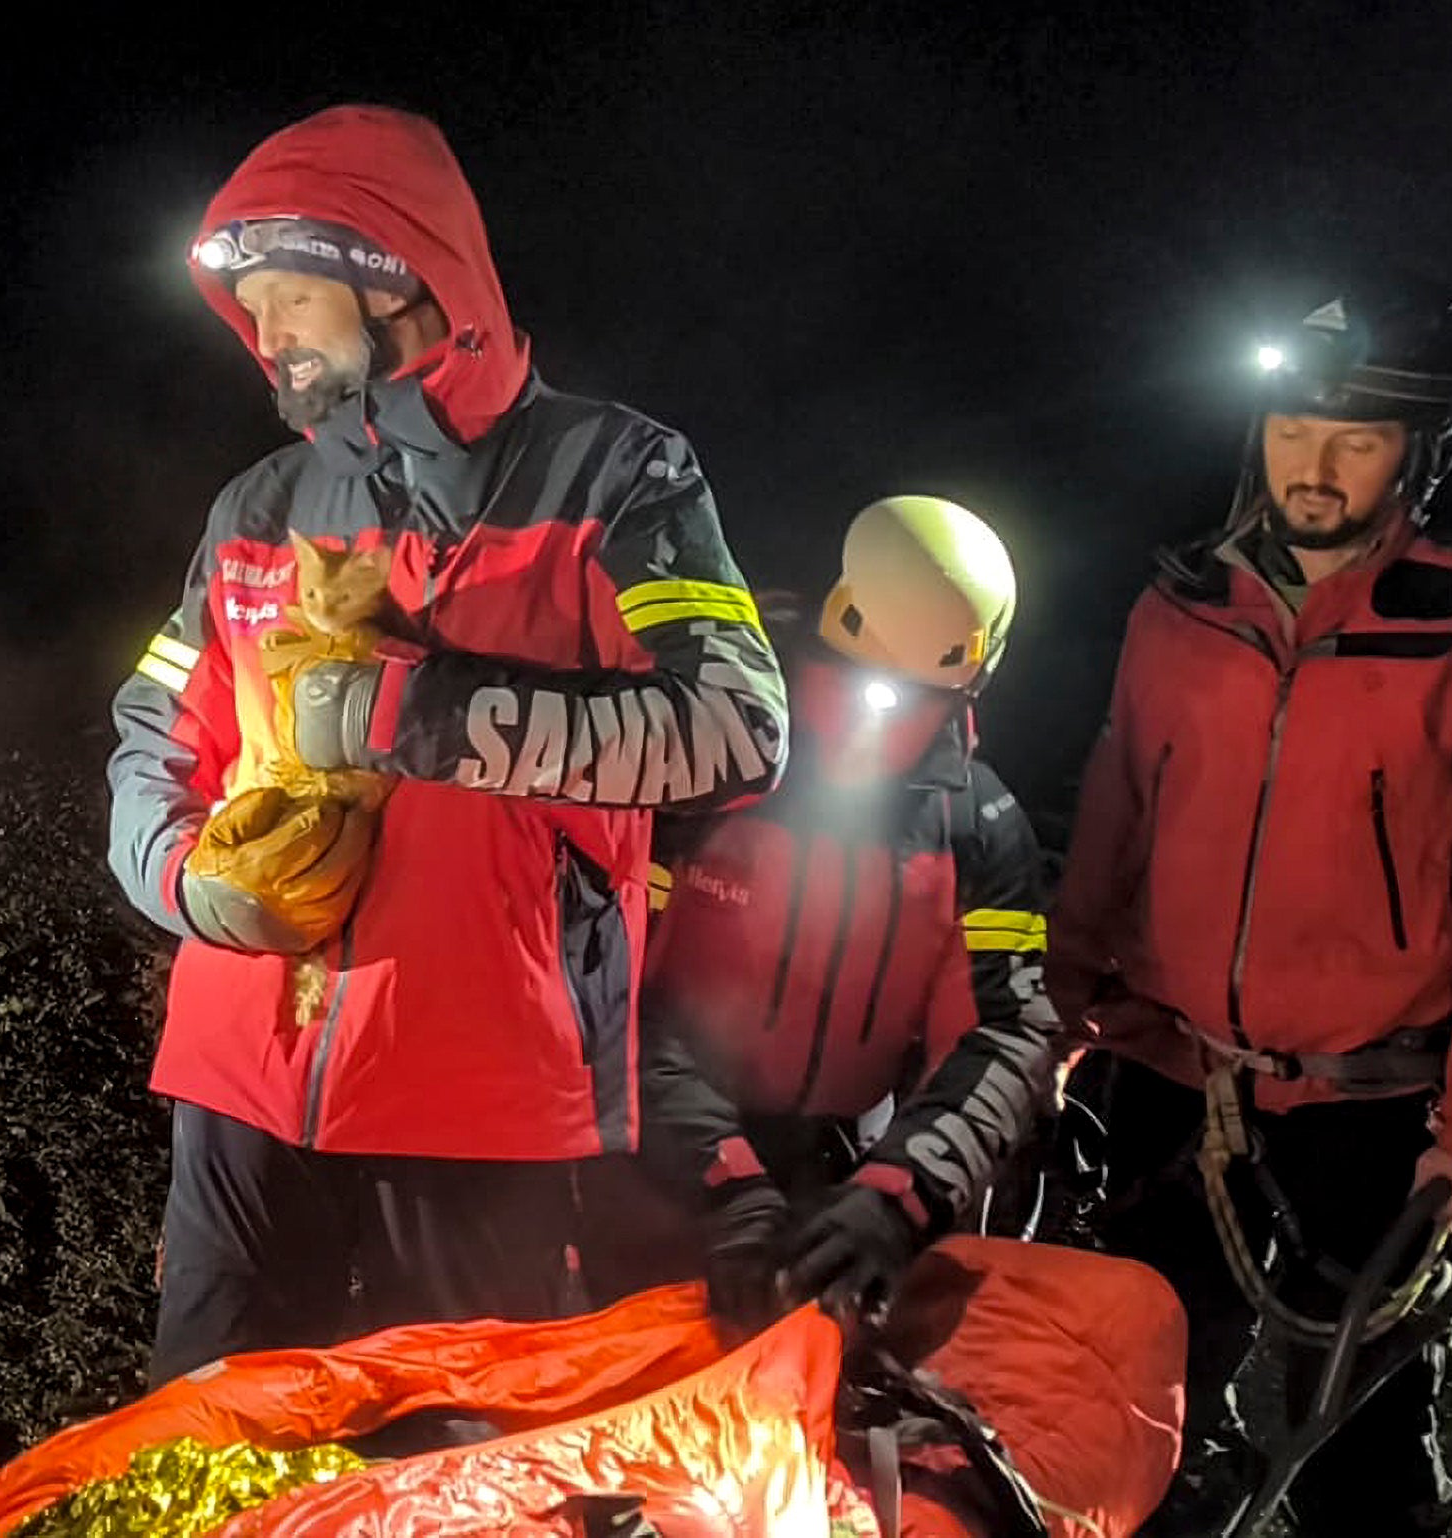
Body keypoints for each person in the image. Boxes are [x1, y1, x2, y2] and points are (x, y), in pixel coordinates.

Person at [105, 103, 787, 1385]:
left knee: (460, 1473)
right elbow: (152, 727)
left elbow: (736, 731)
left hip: (486, 1095)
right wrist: (183, 879)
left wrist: (415, 716)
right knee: (200, 1453)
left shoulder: (616, 476)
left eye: (291, 299)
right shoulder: (255, 504)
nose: (262, 336)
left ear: (395, 280)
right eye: (247, 307)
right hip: (242, 1078)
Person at [1050, 283, 1452, 1535]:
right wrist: (1070, 993)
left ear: (1414, 458)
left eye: (1353, 438)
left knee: (1358, 1439)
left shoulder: (1440, 630)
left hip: (1370, 1104)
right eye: (1289, 428)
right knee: (1130, 1408)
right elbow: (1116, 795)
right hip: (1174, 1073)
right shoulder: (1179, 610)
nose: (1312, 463)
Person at [616, 497, 1062, 1336]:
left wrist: (898, 1196)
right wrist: (724, 1180)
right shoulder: (711, 767)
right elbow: (609, 993)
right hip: (656, 1171)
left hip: (845, 1181)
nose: (877, 711)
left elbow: (1001, 1030)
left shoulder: (978, 823)